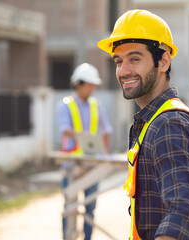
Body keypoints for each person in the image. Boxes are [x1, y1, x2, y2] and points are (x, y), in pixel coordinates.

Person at [97, 9, 189, 240]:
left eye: (135, 59)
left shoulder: (169, 124)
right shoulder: (153, 121)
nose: (123, 70)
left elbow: (184, 211)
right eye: (119, 61)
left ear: (163, 61)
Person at [56, 63, 112, 240]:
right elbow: (64, 129)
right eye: (89, 85)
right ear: (78, 84)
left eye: (93, 85)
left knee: (90, 208)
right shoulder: (65, 105)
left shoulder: (97, 105)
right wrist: (84, 137)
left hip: (93, 164)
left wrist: (103, 153)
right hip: (72, 164)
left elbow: (106, 130)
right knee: (69, 207)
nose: (92, 89)